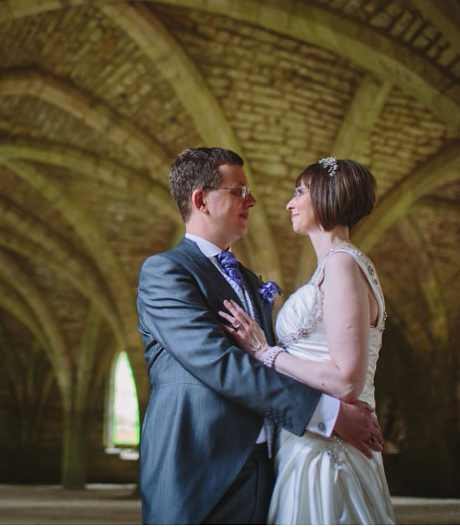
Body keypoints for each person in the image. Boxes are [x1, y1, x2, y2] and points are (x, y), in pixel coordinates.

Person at [136, 148, 383, 524]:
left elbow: (273, 359)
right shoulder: (165, 273)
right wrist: (328, 414)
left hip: (267, 468)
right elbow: (221, 363)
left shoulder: (251, 282)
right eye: (239, 191)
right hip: (199, 469)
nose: (252, 200)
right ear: (201, 200)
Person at [219, 157, 396, 524]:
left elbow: (347, 380)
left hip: (329, 449)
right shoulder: (335, 265)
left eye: (300, 192)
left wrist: (266, 353)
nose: (290, 203)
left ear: (327, 197)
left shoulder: (342, 264)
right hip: (308, 438)